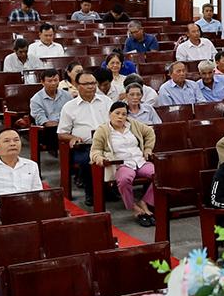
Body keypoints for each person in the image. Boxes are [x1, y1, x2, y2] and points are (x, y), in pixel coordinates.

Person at [91, 101, 158, 226]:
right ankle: (133, 207)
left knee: (160, 174)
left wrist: (148, 149)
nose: (120, 117)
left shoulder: (133, 124)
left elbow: (150, 132)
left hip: (140, 160)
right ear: (110, 114)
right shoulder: (103, 130)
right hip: (122, 163)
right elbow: (95, 150)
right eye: (117, 113)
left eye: (124, 114)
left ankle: (145, 202)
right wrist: (99, 157)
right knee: (124, 179)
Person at [58, 70, 111, 207]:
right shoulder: (69, 107)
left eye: (93, 83)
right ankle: (91, 193)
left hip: (109, 142)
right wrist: (73, 137)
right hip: (85, 145)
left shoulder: (106, 101)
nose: (91, 86)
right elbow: (61, 133)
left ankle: (110, 189)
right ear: (77, 85)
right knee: (88, 160)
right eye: (86, 84)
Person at [28, 68, 73, 154]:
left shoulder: (67, 95)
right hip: (48, 130)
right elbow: (42, 120)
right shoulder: (36, 99)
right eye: (49, 81)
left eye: (56, 80)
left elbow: (73, 112)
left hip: (67, 125)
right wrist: (61, 125)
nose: (53, 83)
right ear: (42, 82)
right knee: (53, 129)